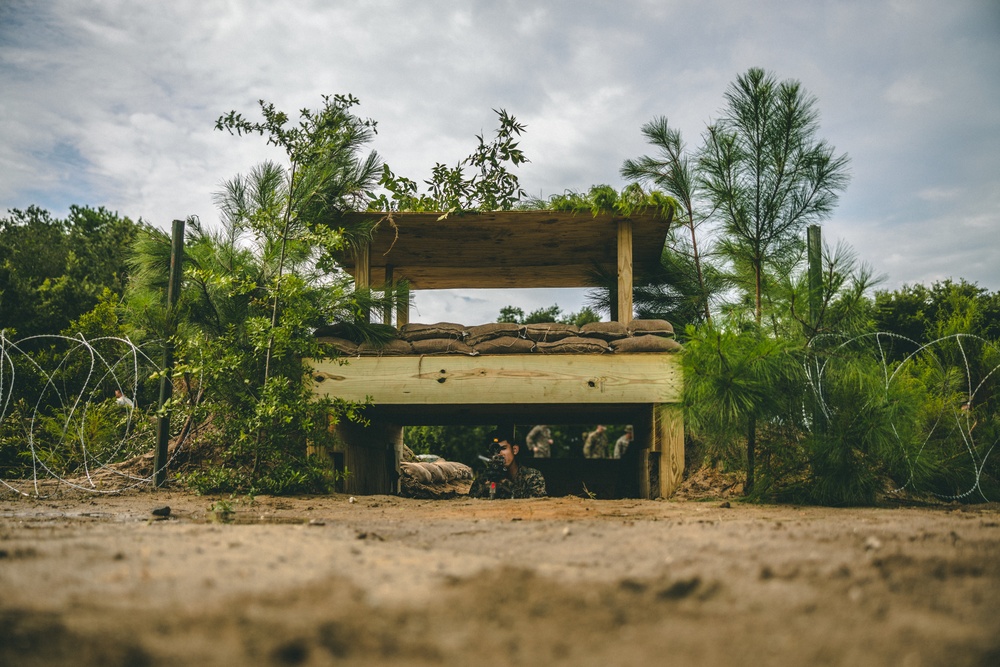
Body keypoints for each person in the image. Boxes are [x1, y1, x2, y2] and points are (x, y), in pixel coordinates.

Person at [469, 426, 546, 499]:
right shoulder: (484, 478)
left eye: (503, 448)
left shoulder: (532, 476)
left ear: (515, 450)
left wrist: (505, 483)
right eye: (494, 450)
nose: (499, 453)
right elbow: (471, 501)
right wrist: (485, 487)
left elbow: (536, 503)